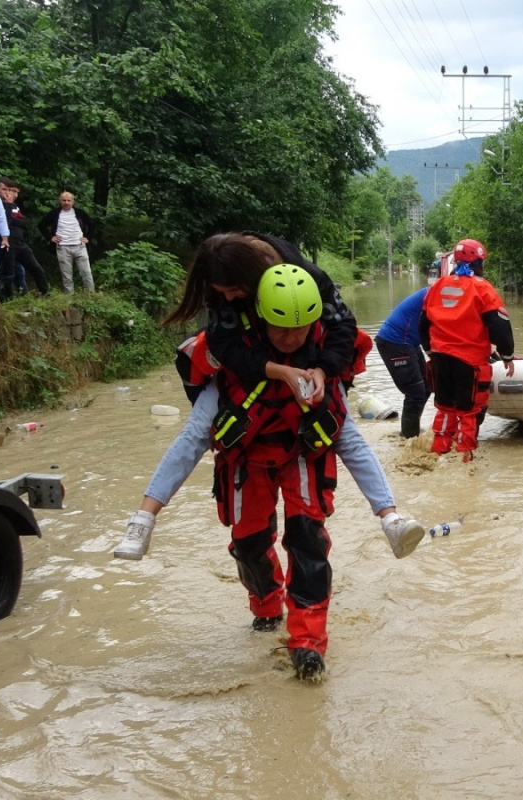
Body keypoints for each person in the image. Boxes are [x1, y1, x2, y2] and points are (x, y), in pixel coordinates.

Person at [112, 233, 425, 562]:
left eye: (233, 290)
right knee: (197, 430)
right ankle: (143, 519)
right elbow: (223, 345)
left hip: (310, 365)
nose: (228, 297)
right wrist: (277, 370)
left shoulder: (308, 278)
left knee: (347, 433)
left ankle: (391, 518)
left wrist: (322, 370)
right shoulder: (225, 295)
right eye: (222, 292)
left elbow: (344, 327)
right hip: (244, 367)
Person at [210, 264, 345, 679]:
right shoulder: (231, 340)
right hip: (247, 458)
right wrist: (148, 512)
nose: (291, 339)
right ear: (261, 318)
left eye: (300, 330)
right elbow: (193, 434)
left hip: (303, 454)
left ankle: (307, 643)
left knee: (308, 544)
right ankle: (267, 605)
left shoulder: (327, 347)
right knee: (248, 544)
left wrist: (387, 512)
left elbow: (353, 444)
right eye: (281, 330)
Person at [419, 238, 515, 461]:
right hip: (469, 362)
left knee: (445, 409)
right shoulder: (483, 288)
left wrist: (430, 351)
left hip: (440, 359)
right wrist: (507, 355)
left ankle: (439, 453)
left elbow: (423, 324)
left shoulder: (437, 286)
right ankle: (465, 461)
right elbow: (500, 325)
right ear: (478, 262)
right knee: (469, 413)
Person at [375, 287, 431, 437]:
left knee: (426, 388)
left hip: (410, 343)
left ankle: (411, 430)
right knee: (415, 392)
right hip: (395, 341)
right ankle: (409, 439)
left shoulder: (445, 294)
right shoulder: (434, 294)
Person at [0, 178, 49, 297]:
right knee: (8, 274)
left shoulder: (15, 206)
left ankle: (46, 293)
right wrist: (8, 204)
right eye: (5, 189)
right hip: (8, 243)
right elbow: (5, 222)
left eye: (12, 190)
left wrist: (17, 218)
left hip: (20, 243)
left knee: (37, 269)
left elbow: (24, 222)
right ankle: (7, 299)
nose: (8, 193)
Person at [38, 191, 95, 293]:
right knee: (66, 275)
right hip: (63, 247)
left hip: (80, 246)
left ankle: (91, 295)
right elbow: (42, 225)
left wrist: (88, 237)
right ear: (60, 201)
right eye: (64, 200)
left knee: (86, 272)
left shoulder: (80, 213)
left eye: (69, 200)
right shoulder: (55, 213)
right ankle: (69, 298)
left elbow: (92, 225)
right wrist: (50, 237)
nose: (66, 203)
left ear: (73, 201)